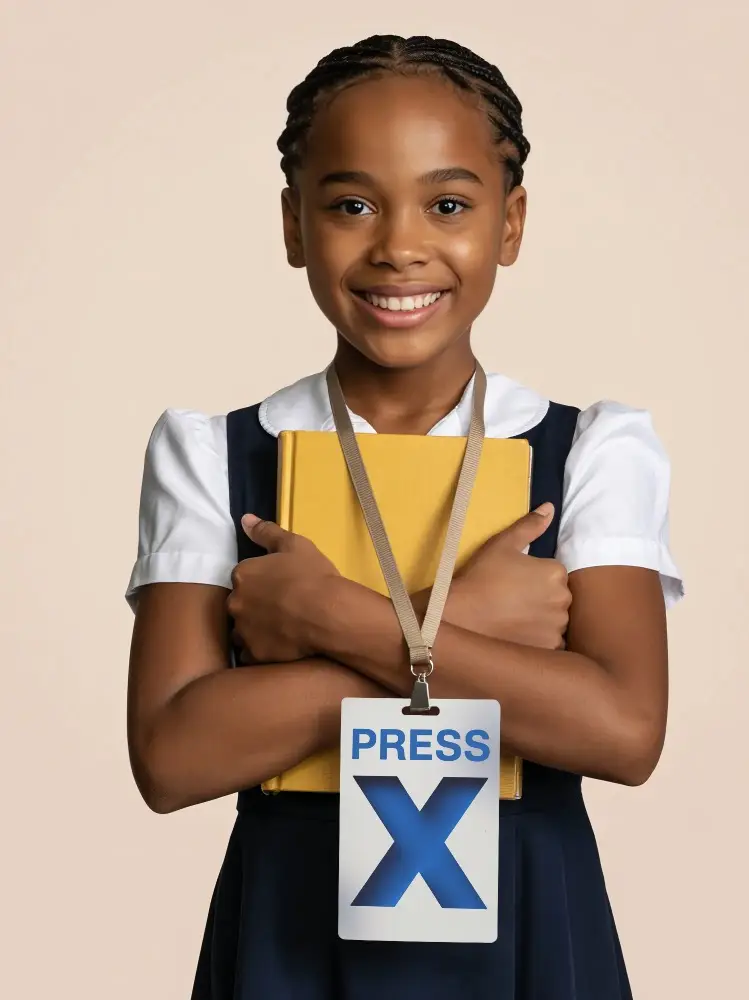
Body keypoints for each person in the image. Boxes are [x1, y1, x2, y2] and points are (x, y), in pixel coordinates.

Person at [126, 34, 683, 1000]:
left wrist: (330, 618)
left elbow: (624, 732)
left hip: (527, 926)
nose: (398, 246)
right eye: (351, 205)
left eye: (449, 205)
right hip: (293, 934)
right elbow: (173, 758)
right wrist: (463, 624)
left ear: (510, 222)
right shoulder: (212, 453)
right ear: (294, 225)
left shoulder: (591, 449)